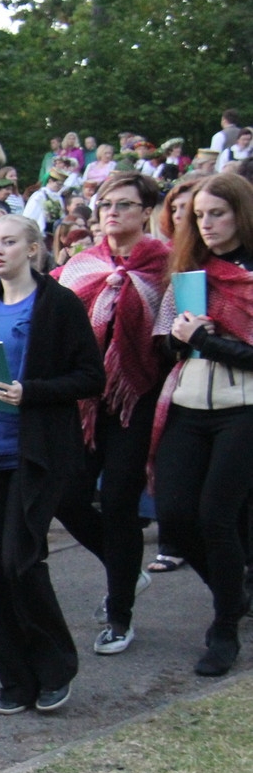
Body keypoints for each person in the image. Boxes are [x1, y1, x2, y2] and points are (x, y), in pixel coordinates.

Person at [0, 215, 104, 713]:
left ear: (33, 249)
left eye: (9, 242)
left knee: (22, 560)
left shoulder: (57, 303)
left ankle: (55, 667)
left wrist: (30, 393)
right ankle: (14, 679)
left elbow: (89, 377)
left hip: (36, 453)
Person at [51, 172, 169, 654]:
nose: (113, 213)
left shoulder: (165, 266)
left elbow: (169, 337)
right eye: (105, 206)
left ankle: (120, 614)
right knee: (66, 497)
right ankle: (124, 569)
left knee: (120, 501)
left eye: (124, 205)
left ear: (145, 211)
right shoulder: (82, 266)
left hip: (136, 398)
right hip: (85, 401)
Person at [151, 173, 253, 677]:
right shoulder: (189, 271)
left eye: (217, 213)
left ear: (241, 213)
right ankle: (233, 597)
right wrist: (178, 336)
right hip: (188, 405)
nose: (206, 224)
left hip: (244, 408)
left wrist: (208, 340)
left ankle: (224, 627)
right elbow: (169, 344)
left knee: (217, 516)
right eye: (198, 216)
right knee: (175, 515)